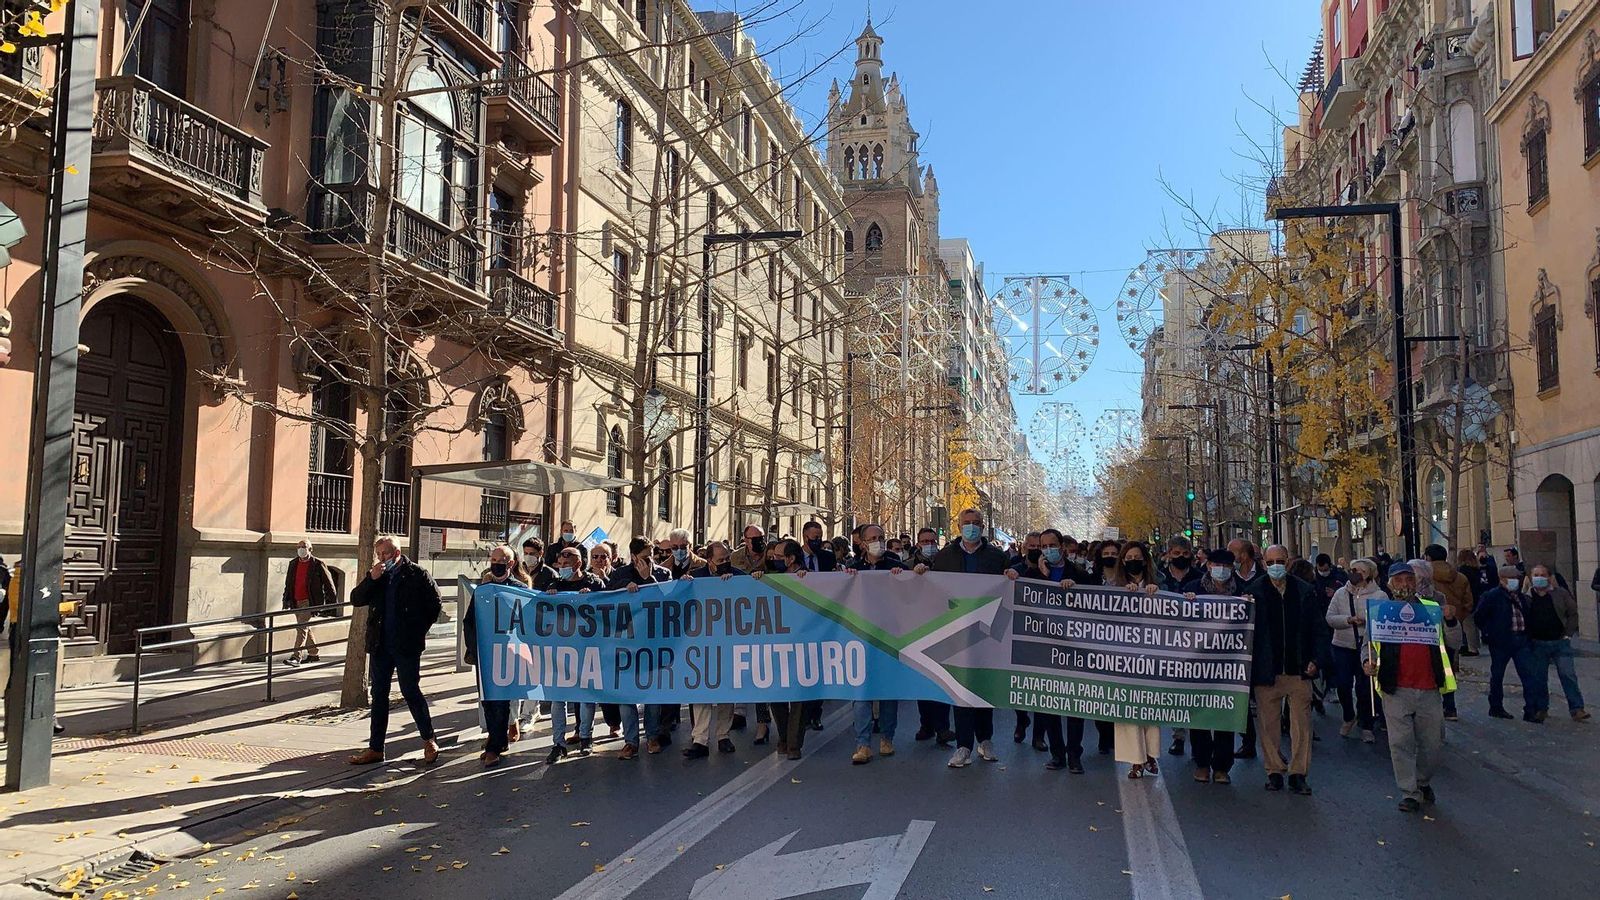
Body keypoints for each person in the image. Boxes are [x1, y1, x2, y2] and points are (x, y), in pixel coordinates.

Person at [921, 508, 1016, 768]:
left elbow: (1010, 586)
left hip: (987, 631)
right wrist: (917, 570)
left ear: (983, 527)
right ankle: (964, 746)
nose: (971, 527)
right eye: (967, 523)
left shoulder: (997, 557)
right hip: (956, 630)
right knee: (960, 688)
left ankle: (985, 739)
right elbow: (929, 585)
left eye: (976, 523)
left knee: (984, 686)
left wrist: (1011, 576)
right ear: (958, 525)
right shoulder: (945, 556)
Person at [1364, 561, 1455, 813]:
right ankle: (1409, 791)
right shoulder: (1380, 611)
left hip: (1429, 687)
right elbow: (1368, 645)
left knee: (1432, 744)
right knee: (1400, 742)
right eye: (1399, 580)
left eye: (1408, 579)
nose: (1404, 584)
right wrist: (1366, 662)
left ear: (1415, 582)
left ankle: (1423, 781)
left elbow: (1455, 641)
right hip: (1396, 688)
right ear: (1390, 584)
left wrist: (1451, 620)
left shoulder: (1431, 609)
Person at [348, 536, 442, 766]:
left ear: (397, 553)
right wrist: (371, 579)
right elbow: (356, 599)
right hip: (380, 645)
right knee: (379, 695)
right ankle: (375, 748)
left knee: (410, 690)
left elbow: (435, 604)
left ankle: (429, 739)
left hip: (406, 645)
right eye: (378, 554)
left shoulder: (417, 574)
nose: (382, 558)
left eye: (386, 554)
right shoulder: (377, 575)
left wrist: (417, 630)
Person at [1252, 544, 1319, 795]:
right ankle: (1274, 770)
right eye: (1270, 563)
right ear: (1263, 564)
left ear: (1289, 562)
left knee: (1301, 725)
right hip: (1267, 671)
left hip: (1298, 668)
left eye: (1280, 561)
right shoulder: (1254, 592)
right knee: (1268, 725)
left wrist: (1316, 659)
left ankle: (1298, 773)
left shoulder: (1304, 591)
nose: (1275, 566)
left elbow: (1317, 628)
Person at [751, 539, 819, 760]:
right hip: (776, 645)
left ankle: (794, 744)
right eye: (773, 556)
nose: (773, 560)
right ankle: (783, 737)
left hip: (802, 646)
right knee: (777, 693)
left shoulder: (811, 578)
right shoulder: (769, 577)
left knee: (799, 696)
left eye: (779, 557)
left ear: (791, 559)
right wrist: (757, 580)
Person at [1182, 548, 1245, 784]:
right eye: (1216, 565)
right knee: (1199, 714)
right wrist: (1185, 602)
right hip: (1198, 662)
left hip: (1230, 663)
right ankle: (1201, 763)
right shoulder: (1193, 588)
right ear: (1208, 566)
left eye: (1226, 566)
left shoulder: (1241, 591)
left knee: (1225, 714)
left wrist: (1248, 604)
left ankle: (1221, 766)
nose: (1221, 570)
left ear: (1232, 569)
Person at [464, 544, 530, 767]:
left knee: (501, 701)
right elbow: (469, 622)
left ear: (510, 564)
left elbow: (527, 624)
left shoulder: (519, 590)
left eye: (500, 561)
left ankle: (494, 747)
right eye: (492, 560)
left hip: (508, 653)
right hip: (485, 655)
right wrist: (475, 650)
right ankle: (496, 740)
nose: (495, 565)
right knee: (488, 701)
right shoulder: (482, 590)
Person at [609, 537, 675, 758]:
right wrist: (622, 588)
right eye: (645, 557)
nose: (650, 560)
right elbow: (607, 596)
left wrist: (650, 579)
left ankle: (653, 736)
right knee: (627, 695)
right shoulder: (620, 575)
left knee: (652, 693)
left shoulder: (663, 574)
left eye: (652, 556)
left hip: (653, 642)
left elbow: (670, 599)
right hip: (626, 643)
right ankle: (631, 741)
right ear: (634, 556)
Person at [846, 524, 905, 764]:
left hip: (890, 638)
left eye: (881, 537)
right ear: (861, 542)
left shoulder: (897, 565)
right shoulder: (852, 568)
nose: (878, 541)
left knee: (889, 694)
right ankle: (863, 744)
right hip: (861, 638)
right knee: (861, 694)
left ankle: (887, 738)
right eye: (872, 538)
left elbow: (915, 591)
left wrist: (914, 574)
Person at [682, 542, 744, 758]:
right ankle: (700, 739)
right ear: (709, 561)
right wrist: (683, 585)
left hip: (728, 640)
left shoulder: (739, 576)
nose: (726, 563)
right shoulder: (696, 577)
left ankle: (723, 736)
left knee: (726, 688)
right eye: (720, 560)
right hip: (701, 642)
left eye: (728, 558)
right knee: (701, 689)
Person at [1113, 541, 1164, 780]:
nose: (1133, 560)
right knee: (1126, 709)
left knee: (1150, 706)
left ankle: (1151, 754)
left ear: (1145, 560)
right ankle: (1135, 760)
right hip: (1123, 655)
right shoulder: (1113, 585)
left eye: (1137, 556)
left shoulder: (1160, 582)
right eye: (1128, 557)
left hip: (1153, 653)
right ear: (1123, 561)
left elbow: (1181, 601)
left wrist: (1159, 593)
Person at [1326, 558, 1384, 743]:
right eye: (1352, 569)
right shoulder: (1341, 594)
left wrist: (1367, 622)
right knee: (1343, 684)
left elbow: (1384, 621)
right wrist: (1348, 620)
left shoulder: (1380, 596)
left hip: (1366, 647)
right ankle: (1348, 715)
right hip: (1342, 646)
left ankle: (1366, 724)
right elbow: (1330, 617)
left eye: (1359, 570)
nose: (1354, 573)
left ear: (1369, 574)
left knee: (1365, 688)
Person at [1524, 564, 1589, 722]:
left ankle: (1577, 708)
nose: (1539, 578)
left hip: (1560, 643)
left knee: (1568, 675)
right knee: (1539, 678)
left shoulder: (1560, 594)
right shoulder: (1527, 597)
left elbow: (1573, 613)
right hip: (1538, 643)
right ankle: (1541, 709)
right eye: (1536, 575)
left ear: (1549, 577)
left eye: (1542, 575)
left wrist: (1568, 634)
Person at [909, 527, 956, 746]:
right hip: (917, 629)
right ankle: (926, 725)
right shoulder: (908, 564)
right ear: (918, 543)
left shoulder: (946, 563)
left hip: (943, 627)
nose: (929, 544)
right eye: (924, 541)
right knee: (922, 682)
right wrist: (911, 574)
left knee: (941, 681)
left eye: (932, 540)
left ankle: (943, 728)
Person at [1473, 565, 1537, 720]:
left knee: (1528, 675)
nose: (1516, 581)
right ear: (1503, 579)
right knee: (1497, 675)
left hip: (1521, 639)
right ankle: (1496, 707)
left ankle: (1531, 710)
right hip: (1501, 641)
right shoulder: (1492, 596)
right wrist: (1490, 633)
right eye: (1513, 578)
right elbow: (1479, 616)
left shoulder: (1520, 596)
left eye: (1517, 578)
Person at [281, 538, 337, 666]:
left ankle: (296, 657)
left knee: (301, 628)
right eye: (299, 546)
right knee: (305, 628)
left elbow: (329, 585)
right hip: (296, 601)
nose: (301, 549)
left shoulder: (318, 564)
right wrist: (286, 599)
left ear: (310, 549)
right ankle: (313, 653)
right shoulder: (293, 563)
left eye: (304, 546)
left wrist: (331, 604)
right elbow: (288, 583)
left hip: (309, 602)